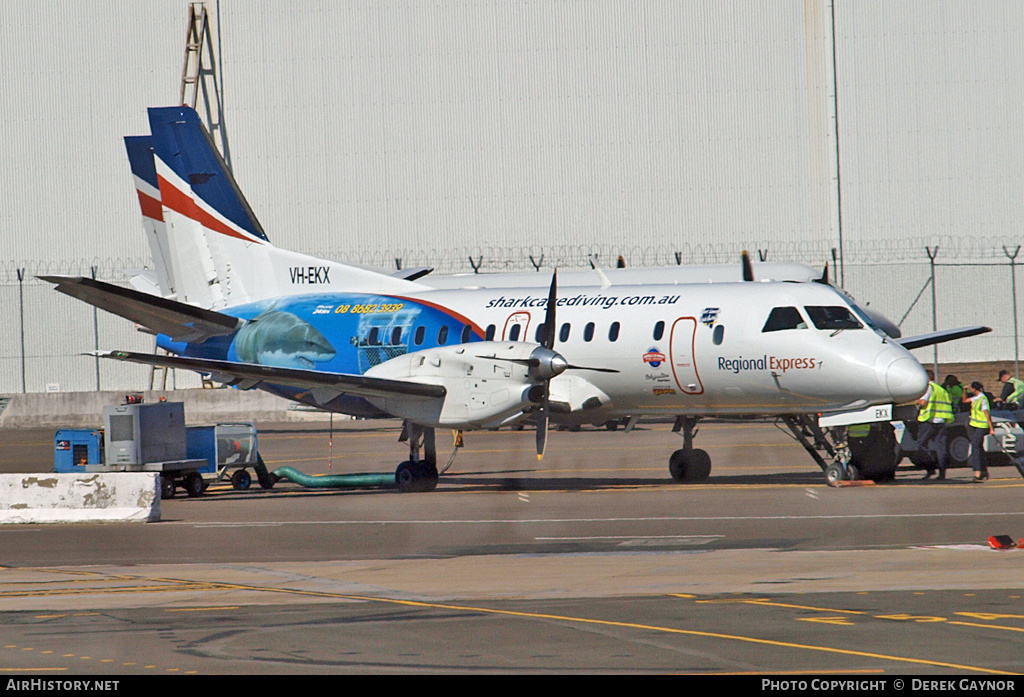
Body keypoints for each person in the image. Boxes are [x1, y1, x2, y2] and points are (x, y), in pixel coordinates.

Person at [915, 370, 954, 480]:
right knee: (941, 448)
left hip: (929, 421)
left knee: (921, 445)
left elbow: (923, 402)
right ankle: (942, 473)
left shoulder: (928, 388)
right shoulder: (941, 390)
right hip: (941, 422)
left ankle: (931, 467)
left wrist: (916, 401)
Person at [964, 381, 994, 482]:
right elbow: (965, 400)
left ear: (974, 389)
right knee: (979, 447)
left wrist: (991, 428)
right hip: (973, 425)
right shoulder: (975, 398)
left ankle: (978, 471)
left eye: (971, 388)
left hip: (982, 425)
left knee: (975, 446)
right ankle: (984, 470)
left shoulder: (983, 398)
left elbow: (987, 414)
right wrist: (964, 390)